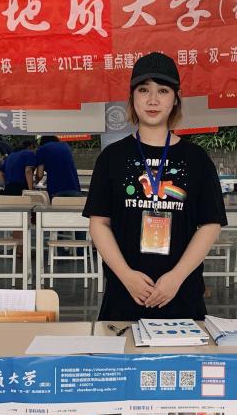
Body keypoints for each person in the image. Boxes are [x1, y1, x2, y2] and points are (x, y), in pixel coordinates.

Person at [84, 52, 226, 320]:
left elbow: (210, 224)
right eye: (143, 90)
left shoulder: (197, 159)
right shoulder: (111, 158)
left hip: (180, 294)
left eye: (163, 90)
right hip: (125, 294)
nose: (152, 99)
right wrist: (126, 276)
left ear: (176, 98)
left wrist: (176, 277)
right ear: (132, 97)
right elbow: (99, 223)